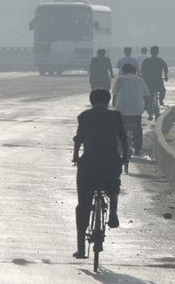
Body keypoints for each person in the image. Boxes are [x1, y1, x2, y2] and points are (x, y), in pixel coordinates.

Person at [72, 89, 128, 259]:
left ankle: (81, 249)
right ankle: (113, 212)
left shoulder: (84, 116)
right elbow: (124, 138)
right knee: (113, 185)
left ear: (91, 101)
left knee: (83, 203)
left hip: (88, 163)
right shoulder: (115, 116)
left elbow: (79, 138)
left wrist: (75, 156)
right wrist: (124, 157)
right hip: (110, 161)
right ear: (108, 101)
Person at [112, 64, 150, 155]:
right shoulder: (140, 80)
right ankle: (138, 149)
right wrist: (146, 106)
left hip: (121, 110)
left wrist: (114, 103)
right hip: (137, 110)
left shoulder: (119, 79)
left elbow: (114, 93)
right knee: (137, 129)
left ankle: (119, 147)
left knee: (119, 129)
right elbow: (147, 95)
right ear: (134, 71)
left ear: (123, 71)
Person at [140, 46, 169, 110]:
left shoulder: (146, 61)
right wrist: (166, 77)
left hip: (148, 81)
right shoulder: (160, 60)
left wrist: (144, 78)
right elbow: (165, 68)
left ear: (150, 52)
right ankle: (161, 101)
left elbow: (142, 71)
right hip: (158, 80)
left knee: (146, 92)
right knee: (162, 90)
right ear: (157, 52)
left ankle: (146, 103)